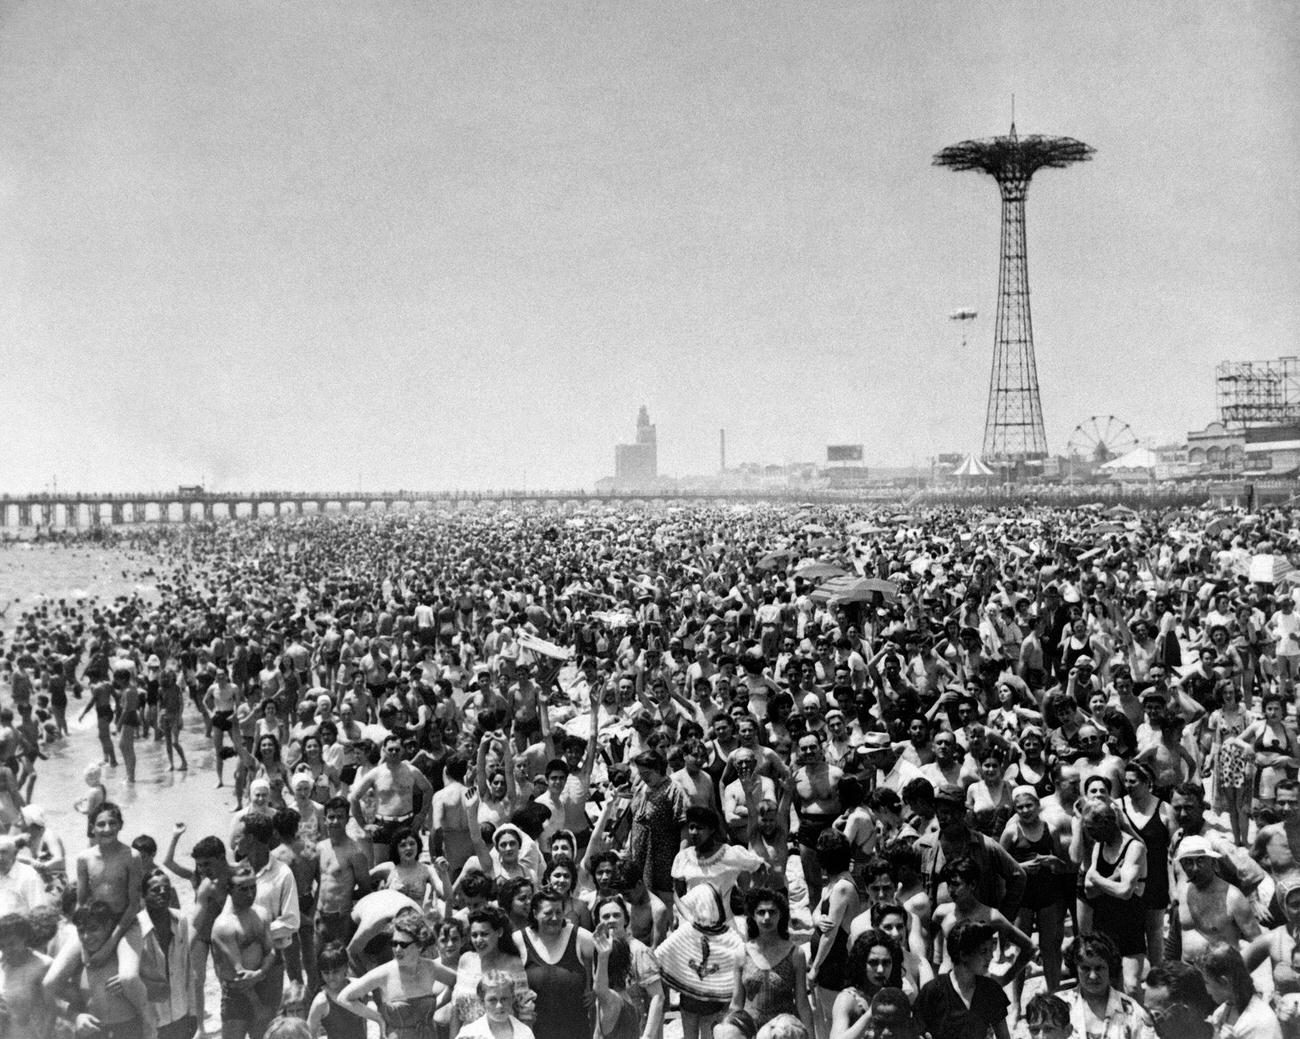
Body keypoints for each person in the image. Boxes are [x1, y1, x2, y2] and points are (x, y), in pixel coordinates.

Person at [337, 907, 458, 1039]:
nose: (397, 949)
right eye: (394, 943)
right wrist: (378, 1018)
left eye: (403, 944)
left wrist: (437, 1004)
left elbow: (456, 983)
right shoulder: (385, 972)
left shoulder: (430, 968)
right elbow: (344, 997)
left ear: (419, 946)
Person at [999, 786, 1068, 993]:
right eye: (1020, 807)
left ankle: (1054, 994)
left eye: (1029, 805)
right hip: (1023, 898)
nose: (1026, 810)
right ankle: (1017, 1004)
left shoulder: (1051, 829)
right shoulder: (1011, 832)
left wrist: (1053, 861)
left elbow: (1062, 866)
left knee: (1050, 949)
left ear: (1038, 806)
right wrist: (1022, 868)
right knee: (1023, 950)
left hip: (1047, 896)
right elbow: (1000, 866)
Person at [211, 863, 282, 1039]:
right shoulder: (225, 925)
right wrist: (257, 1005)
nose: (250, 894)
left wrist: (260, 973)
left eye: (253, 887)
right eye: (243, 889)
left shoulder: (262, 914)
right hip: (237, 996)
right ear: (230, 890)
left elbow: (271, 950)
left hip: (262, 986)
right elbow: (239, 973)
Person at [515, 887, 594, 1039]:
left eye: (559, 912)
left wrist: (593, 987)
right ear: (535, 913)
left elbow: (608, 954)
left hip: (577, 1032)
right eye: (548, 913)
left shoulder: (580, 938)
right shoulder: (519, 940)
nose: (555, 918)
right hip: (535, 1033)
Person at [731, 888, 812, 1034]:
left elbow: (802, 1003)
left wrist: (811, 1035)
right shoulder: (742, 954)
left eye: (772, 912)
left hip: (784, 1032)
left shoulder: (795, 954)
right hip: (751, 1031)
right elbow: (736, 1003)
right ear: (753, 916)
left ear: (780, 915)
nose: (767, 917)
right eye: (761, 912)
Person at [913, 920, 1010, 1039]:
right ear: (963, 955)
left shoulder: (991, 990)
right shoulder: (933, 991)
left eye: (991, 950)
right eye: (984, 951)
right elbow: (916, 1032)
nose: (990, 957)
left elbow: (1004, 1036)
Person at [809, 830, 859, 1039]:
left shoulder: (842, 888)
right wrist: (817, 919)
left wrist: (815, 967)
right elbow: (815, 913)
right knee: (822, 1017)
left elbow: (829, 936)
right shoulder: (832, 884)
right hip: (827, 961)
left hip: (835, 960)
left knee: (833, 1019)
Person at [1057, 932, 1156, 1039]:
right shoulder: (1058, 1005)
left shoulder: (1131, 1010)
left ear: (1110, 967)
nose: (1093, 976)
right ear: (1075, 968)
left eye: (1099, 968)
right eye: (1085, 969)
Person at [139, 869, 200, 1039]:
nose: (163, 893)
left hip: (180, 1015)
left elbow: (187, 968)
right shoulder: (135, 928)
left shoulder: (180, 920)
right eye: (155, 889)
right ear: (143, 895)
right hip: (152, 1021)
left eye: (166, 888)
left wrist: (193, 1012)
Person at [827, 930, 905, 1039]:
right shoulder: (847, 999)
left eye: (886, 962)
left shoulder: (893, 993)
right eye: (873, 963)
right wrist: (870, 1012)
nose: (880, 970)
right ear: (861, 963)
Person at [1198, 943, 1283, 1039]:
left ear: (1224, 982)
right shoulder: (1221, 1013)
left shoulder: (1263, 1021)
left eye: (1206, 982)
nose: (1206, 990)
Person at [0, 911, 53, 1039]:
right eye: (2, 945)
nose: (7, 950)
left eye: (12, 943)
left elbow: (55, 1010)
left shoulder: (43, 965)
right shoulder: (1, 965)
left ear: (24, 938)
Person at [306, 941, 367, 1039]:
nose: (331, 977)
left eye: (335, 972)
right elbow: (308, 1033)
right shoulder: (321, 1001)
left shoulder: (359, 987)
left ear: (346, 967)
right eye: (326, 973)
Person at [456, 969, 539, 1039]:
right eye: (492, 1000)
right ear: (482, 1001)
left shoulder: (524, 1033)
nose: (499, 1006)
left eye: (504, 999)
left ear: (512, 998)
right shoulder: (470, 1034)